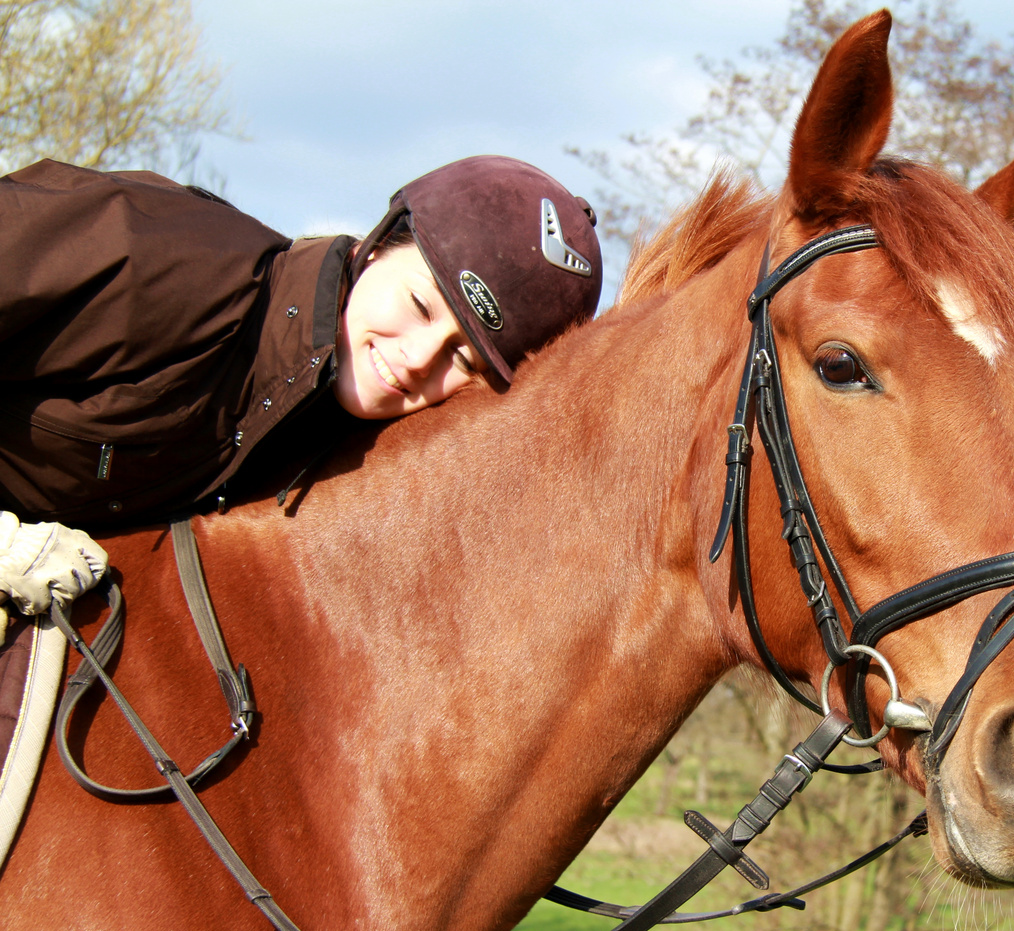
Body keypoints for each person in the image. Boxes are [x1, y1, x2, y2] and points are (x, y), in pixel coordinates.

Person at [0, 154, 603, 623]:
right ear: (377, 248)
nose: (418, 359)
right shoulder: (162, 255)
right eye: (419, 303)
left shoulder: (340, 446)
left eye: (463, 359)